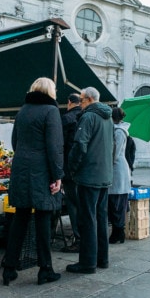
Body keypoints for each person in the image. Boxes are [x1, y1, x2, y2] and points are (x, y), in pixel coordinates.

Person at [2, 78, 64, 286]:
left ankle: (9, 268)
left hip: (21, 167)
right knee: (43, 220)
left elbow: (14, 142)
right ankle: (45, 269)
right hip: (41, 170)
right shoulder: (51, 111)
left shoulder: (23, 111)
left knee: (20, 218)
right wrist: (58, 175)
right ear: (50, 91)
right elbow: (54, 146)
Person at [66, 87, 114, 274]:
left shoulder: (88, 117)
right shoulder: (108, 117)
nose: (80, 103)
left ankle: (87, 263)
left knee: (87, 219)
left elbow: (80, 144)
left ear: (88, 99)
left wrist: (72, 168)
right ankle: (102, 259)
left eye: (81, 99)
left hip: (89, 175)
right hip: (104, 175)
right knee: (101, 218)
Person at [60, 94, 83, 253]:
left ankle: (79, 239)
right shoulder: (86, 118)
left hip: (69, 169)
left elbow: (59, 145)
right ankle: (85, 238)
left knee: (73, 205)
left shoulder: (66, 119)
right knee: (83, 204)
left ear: (69, 102)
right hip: (85, 169)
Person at [108, 108, 132, 244]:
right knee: (116, 202)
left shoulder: (119, 131)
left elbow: (115, 153)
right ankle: (118, 233)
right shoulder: (118, 130)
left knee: (117, 202)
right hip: (118, 168)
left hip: (118, 169)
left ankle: (118, 233)